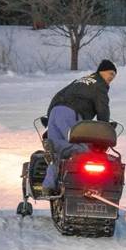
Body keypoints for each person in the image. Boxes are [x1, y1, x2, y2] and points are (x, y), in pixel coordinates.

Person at [42, 59, 116, 190]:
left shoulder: (80, 81)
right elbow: (103, 109)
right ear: (102, 71)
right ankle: (82, 186)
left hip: (55, 111)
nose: (112, 77)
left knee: (55, 150)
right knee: (82, 149)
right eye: (111, 73)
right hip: (71, 114)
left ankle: (49, 185)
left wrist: (49, 119)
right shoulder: (99, 85)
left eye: (114, 75)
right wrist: (105, 129)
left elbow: (58, 95)